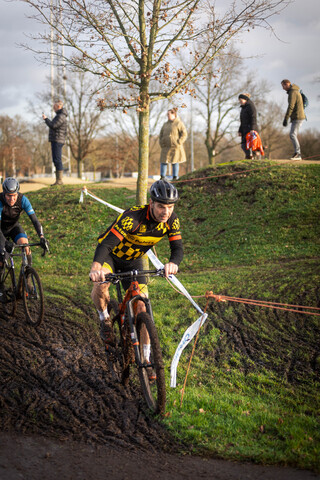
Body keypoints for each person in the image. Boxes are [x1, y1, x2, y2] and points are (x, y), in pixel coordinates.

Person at [89, 179, 183, 376]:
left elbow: (177, 248)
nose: (165, 212)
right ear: (151, 203)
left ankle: (147, 358)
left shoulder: (171, 220)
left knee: (142, 306)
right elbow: (105, 246)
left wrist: (173, 263)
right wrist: (96, 267)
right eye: (160, 207)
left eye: (170, 207)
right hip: (111, 256)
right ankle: (104, 318)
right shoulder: (132, 218)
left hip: (134, 261)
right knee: (102, 286)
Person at [0, 178, 47, 293]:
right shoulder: (0, 201)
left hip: (14, 227)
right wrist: (5, 243)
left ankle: (27, 281)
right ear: (4, 194)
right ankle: (0, 286)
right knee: (2, 256)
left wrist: (42, 237)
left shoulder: (23, 200)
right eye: (9, 196)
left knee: (26, 247)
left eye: (14, 195)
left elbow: (35, 221)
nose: (12, 199)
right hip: (0, 230)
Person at [42, 100, 68, 185]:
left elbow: (53, 125)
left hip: (57, 140)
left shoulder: (61, 116)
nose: (53, 108)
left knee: (57, 159)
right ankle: (58, 180)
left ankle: (59, 180)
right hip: (56, 140)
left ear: (59, 106)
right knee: (55, 159)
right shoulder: (60, 115)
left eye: (54, 107)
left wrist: (46, 119)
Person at [159, 108, 187, 180]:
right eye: (167, 114)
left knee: (175, 162)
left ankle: (175, 177)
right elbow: (161, 134)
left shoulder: (179, 123)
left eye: (169, 114)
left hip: (175, 147)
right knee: (163, 162)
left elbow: (184, 134)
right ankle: (162, 177)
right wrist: (161, 142)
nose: (167, 115)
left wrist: (179, 142)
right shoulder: (165, 124)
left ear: (174, 114)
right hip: (165, 147)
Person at [281, 79, 306, 160]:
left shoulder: (293, 92)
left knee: (292, 134)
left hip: (298, 117)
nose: (283, 88)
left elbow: (291, 106)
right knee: (292, 134)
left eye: (283, 86)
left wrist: (286, 118)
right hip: (297, 117)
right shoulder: (294, 91)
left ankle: (298, 153)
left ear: (287, 84)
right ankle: (297, 153)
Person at [238, 93, 258, 160]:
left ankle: (251, 156)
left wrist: (252, 128)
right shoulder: (243, 108)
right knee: (244, 145)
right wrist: (240, 130)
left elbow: (253, 117)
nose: (240, 102)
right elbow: (242, 120)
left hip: (250, 128)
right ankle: (249, 156)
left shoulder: (250, 106)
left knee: (247, 144)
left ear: (245, 99)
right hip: (244, 129)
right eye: (239, 100)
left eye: (241, 100)